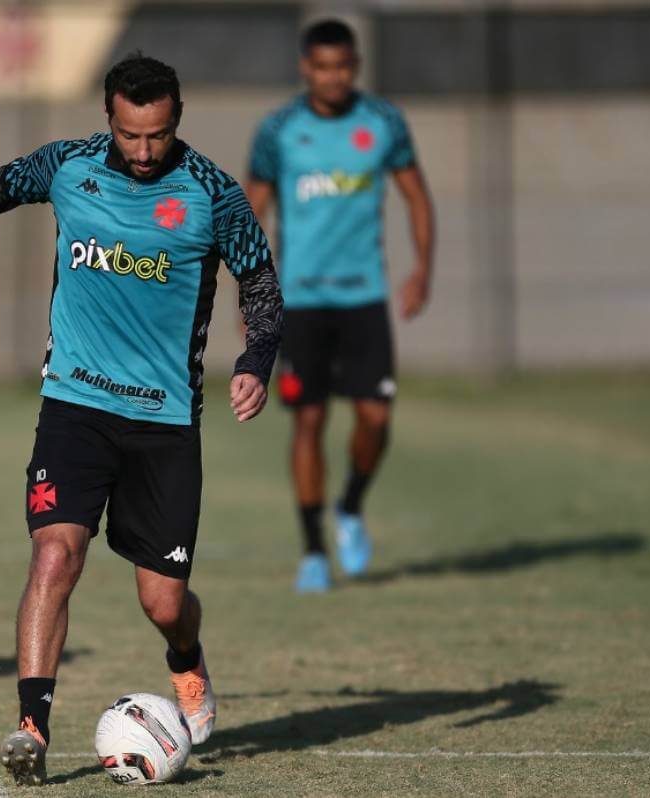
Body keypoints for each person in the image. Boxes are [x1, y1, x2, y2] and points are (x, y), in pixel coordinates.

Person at [0, 54, 282, 785]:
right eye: (130, 135)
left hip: (165, 423)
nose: (144, 152)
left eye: (157, 136)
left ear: (174, 120)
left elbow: (262, 283)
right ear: (109, 119)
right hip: (75, 408)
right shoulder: (69, 166)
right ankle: (32, 726)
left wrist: (257, 361)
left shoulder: (213, 194)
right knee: (55, 554)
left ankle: (187, 662)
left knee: (163, 601)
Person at [244, 19, 435, 593]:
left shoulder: (382, 124)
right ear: (306, 67)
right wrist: (253, 293)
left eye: (343, 67)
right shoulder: (279, 131)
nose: (333, 77)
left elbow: (416, 197)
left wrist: (423, 268)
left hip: (363, 297)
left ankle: (350, 506)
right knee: (309, 419)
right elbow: (252, 211)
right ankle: (312, 550)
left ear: (355, 67)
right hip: (300, 301)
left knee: (375, 417)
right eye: (322, 67)